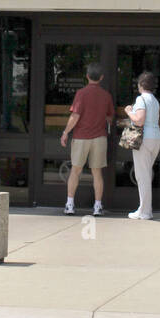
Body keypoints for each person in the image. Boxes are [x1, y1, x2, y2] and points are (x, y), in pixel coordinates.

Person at [60, 62, 114, 216]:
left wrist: (65, 132)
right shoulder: (106, 95)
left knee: (75, 171)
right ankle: (97, 206)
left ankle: (70, 205)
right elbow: (109, 117)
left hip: (81, 137)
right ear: (101, 78)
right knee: (97, 173)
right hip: (99, 138)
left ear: (87, 76)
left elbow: (75, 115)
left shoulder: (81, 94)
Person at [124, 71, 160, 220]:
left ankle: (145, 211)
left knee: (142, 175)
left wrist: (128, 112)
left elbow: (139, 120)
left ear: (140, 85)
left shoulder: (141, 99)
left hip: (143, 138)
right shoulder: (155, 100)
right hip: (156, 137)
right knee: (145, 174)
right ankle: (144, 209)